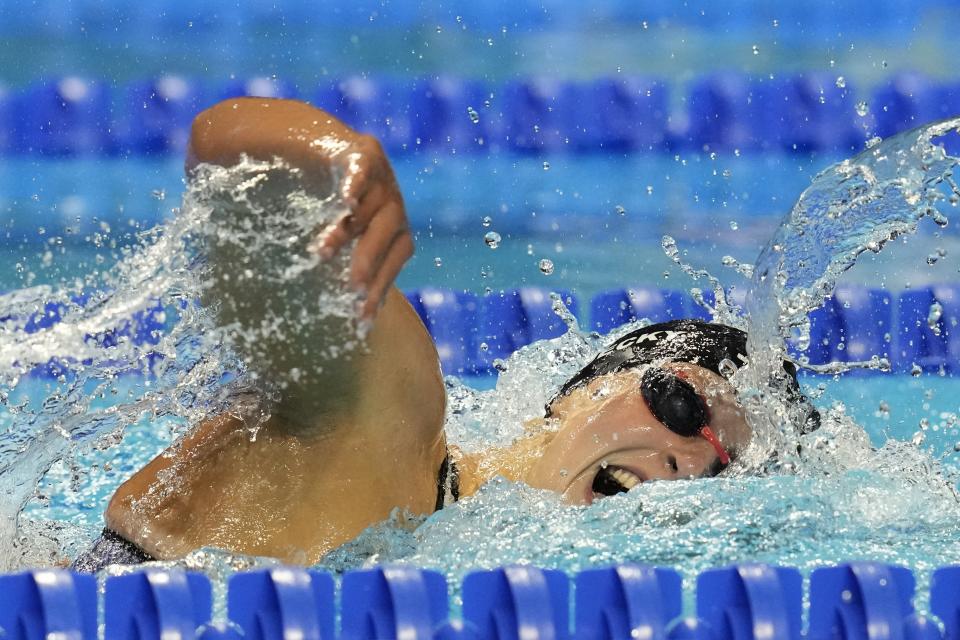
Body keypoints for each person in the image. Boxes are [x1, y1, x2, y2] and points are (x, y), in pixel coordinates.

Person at [73, 98, 816, 571]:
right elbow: (229, 155)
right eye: (680, 405)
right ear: (579, 391)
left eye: (721, 478)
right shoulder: (393, 420)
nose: (688, 462)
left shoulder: (455, 552)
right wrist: (333, 161)